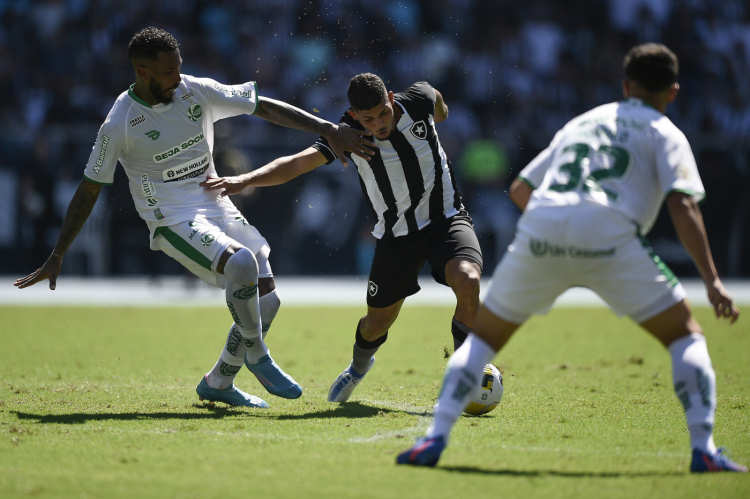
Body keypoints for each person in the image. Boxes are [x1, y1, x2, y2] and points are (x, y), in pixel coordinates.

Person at [397, 43, 747, 473]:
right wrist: (711, 280)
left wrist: (558, 235)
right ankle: (704, 450)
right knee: (685, 336)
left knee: (483, 339)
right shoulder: (666, 132)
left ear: (624, 85)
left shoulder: (585, 121)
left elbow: (522, 188)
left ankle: (432, 442)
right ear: (672, 92)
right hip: (611, 233)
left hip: (543, 229)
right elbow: (684, 205)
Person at [14, 27, 374, 408]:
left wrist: (327, 129)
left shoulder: (195, 90)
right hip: (170, 217)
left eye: (179, 67)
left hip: (213, 200)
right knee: (241, 263)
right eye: (168, 72)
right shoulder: (119, 121)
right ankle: (257, 354)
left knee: (268, 302)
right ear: (143, 72)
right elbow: (89, 188)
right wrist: (57, 254)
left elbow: (263, 106)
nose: (177, 77)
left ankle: (219, 382)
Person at [201, 73, 484, 403]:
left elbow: (435, 99)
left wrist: (442, 112)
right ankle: (357, 368)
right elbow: (295, 164)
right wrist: (245, 179)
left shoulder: (416, 100)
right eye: (368, 118)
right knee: (375, 326)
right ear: (353, 113)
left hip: (446, 220)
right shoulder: (347, 134)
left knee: (468, 279)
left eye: (382, 113)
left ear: (391, 98)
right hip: (397, 237)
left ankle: (464, 374)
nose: (377, 124)